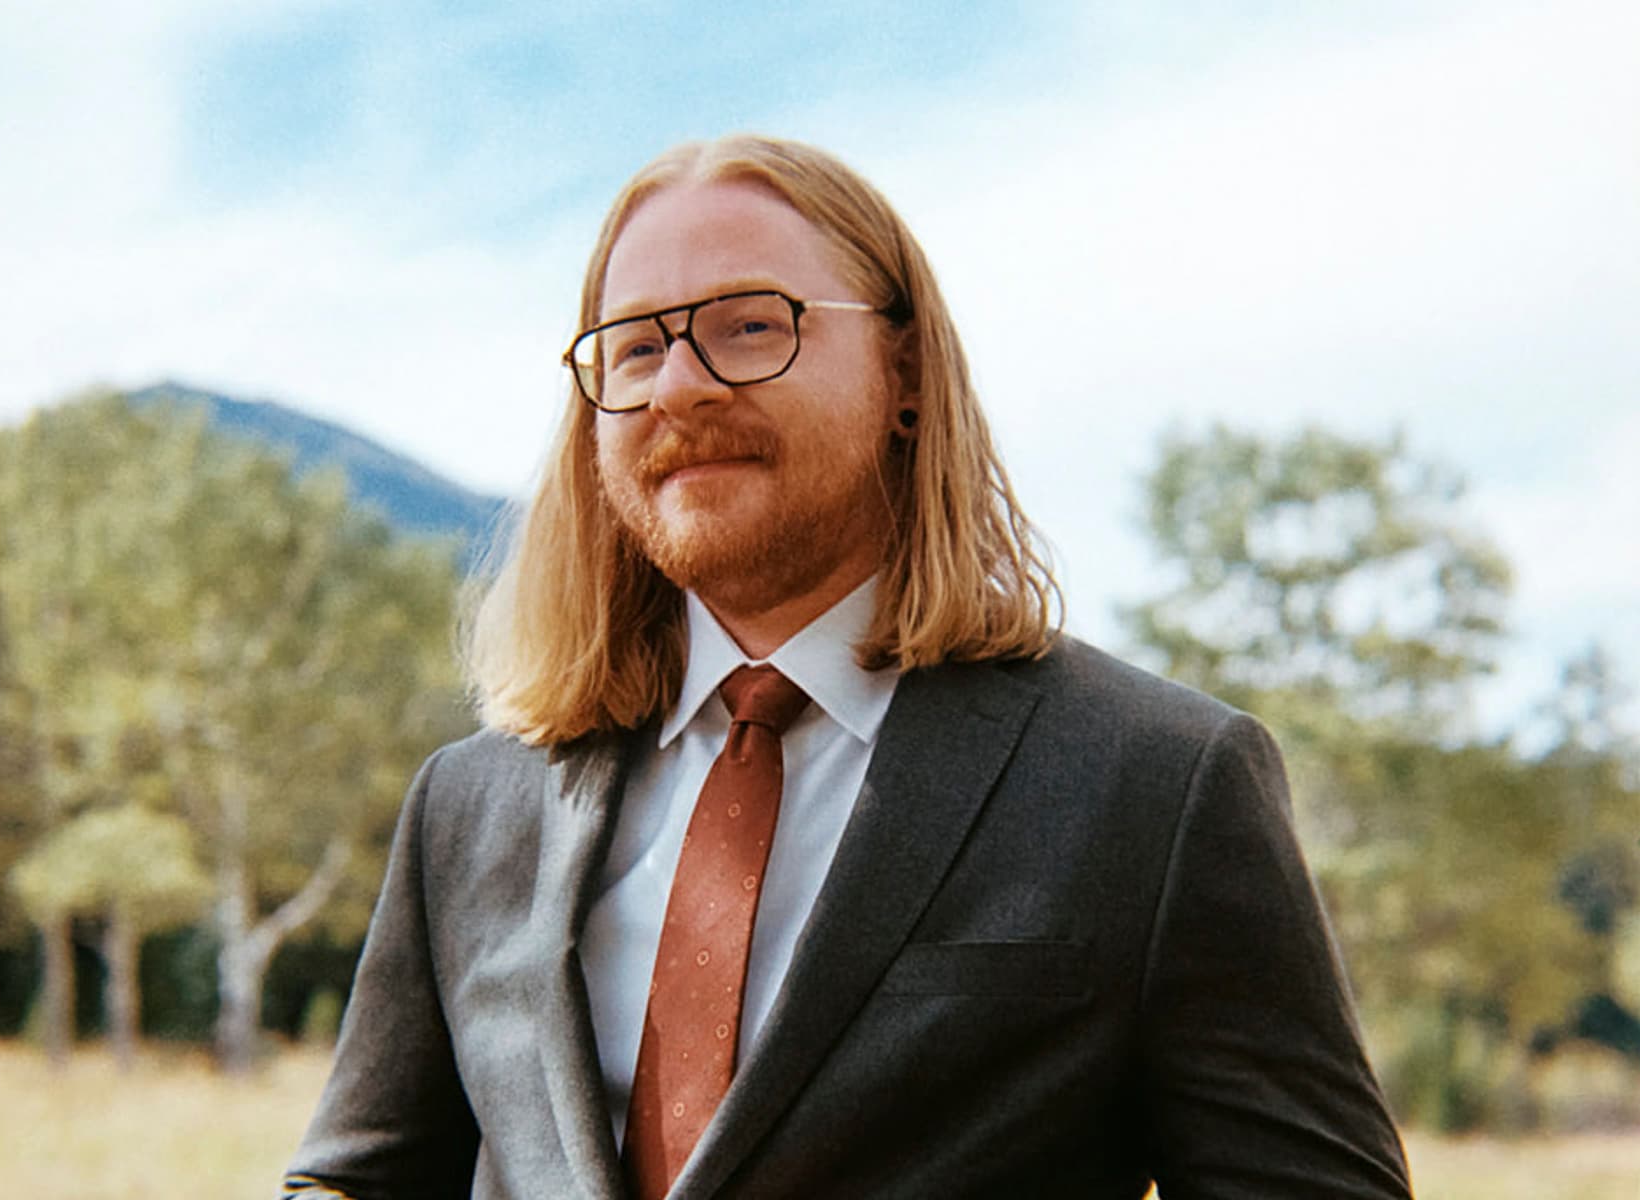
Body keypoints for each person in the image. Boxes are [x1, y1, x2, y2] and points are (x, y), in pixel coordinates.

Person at [283, 134, 1412, 1199]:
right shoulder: (469, 808)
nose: (678, 387)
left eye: (748, 325)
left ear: (906, 372)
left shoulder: (1160, 783)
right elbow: (361, 1180)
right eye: (633, 347)